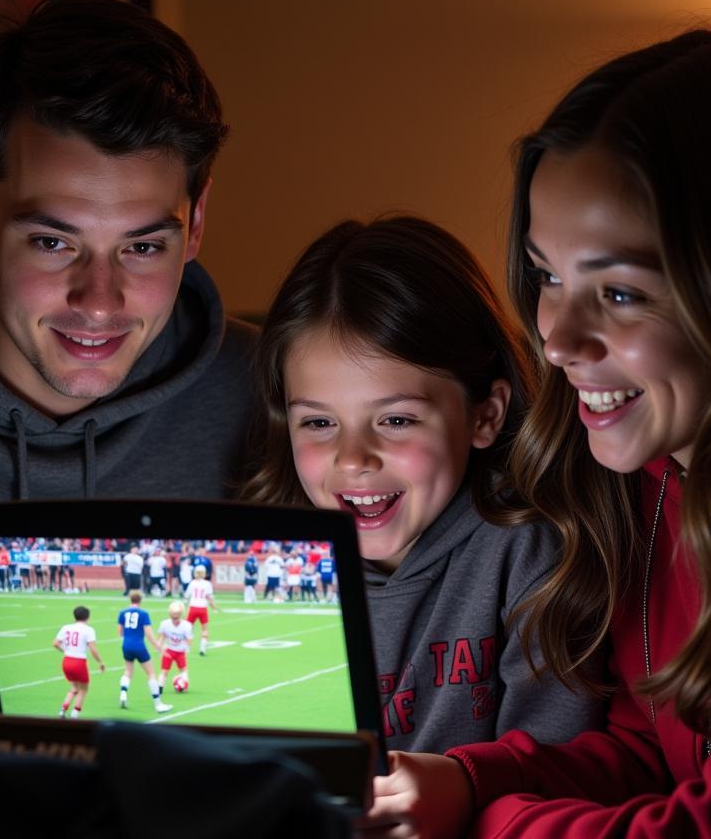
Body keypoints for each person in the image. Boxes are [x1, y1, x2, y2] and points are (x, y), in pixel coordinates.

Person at [353, 26, 711, 839]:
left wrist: (485, 826)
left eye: (619, 292)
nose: (556, 340)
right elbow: (648, 751)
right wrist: (469, 778)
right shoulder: (661, 461)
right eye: (548, 278)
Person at [0, 0, 256, 839]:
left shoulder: (275, 390)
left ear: (197, 223)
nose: (98, 303)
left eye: (144, 246)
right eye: (53, 242)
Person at [242, 215, 602, 752]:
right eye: (319, 423)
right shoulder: (270, 564)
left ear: (485, 415)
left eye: (396, 420)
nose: (354, 459)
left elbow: (549, 775)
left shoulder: (529, 551)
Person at [117, 591, 171, 714]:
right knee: (151, 673)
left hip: (126, 644)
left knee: (128, 671)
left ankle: (123, 693)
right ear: (140, 600)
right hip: (139, 645)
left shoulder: (123, 613)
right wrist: (158, 646)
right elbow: (148, 633)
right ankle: (158, 703)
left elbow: (120, 631)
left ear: (130, 600)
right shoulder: (143, 614)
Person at [53, 606, 105, 719]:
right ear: (87, 617)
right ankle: (75, 713)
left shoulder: (66, 627)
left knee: (74, 688)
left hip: (66, 661)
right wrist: (100, 662)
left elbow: (56, 643)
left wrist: (65, 650)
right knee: (83, 689)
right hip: (79, 662)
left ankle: (63, 710)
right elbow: (93, 649)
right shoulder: (89, 630)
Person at [156, 600, 192, 693]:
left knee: (172, 671)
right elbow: (188, 641)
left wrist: (159, 648)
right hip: (171, 650)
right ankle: (161, 687)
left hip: (175, 651)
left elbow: (161, 637)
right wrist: (160, 649)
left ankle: (161, 687)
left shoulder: (166, 623)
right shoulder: (185, 625)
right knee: (169, 671)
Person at [184, 565, 218, 657]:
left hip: (193, 607)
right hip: (202, 608)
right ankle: (202, 647)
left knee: (188, 628)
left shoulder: (192, 583)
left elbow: (187, 596)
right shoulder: (207, 584)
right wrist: (214, 608)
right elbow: (210, 598)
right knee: (205, 629)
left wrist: (185, 606)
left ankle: (187, 648)